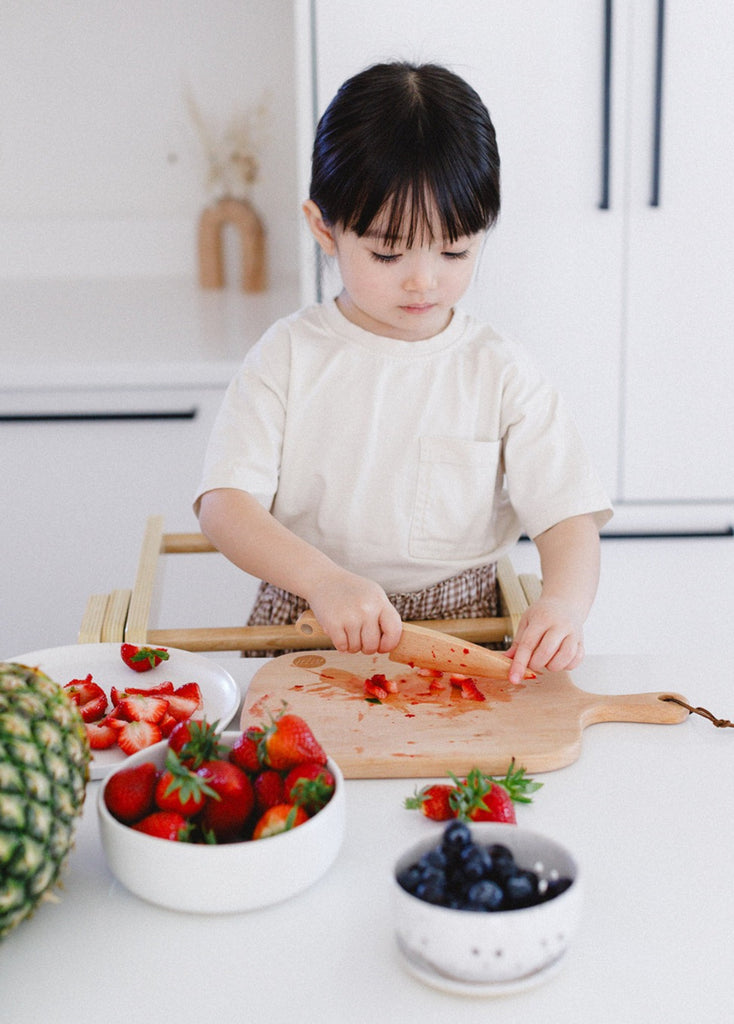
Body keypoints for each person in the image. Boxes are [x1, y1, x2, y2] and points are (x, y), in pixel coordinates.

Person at [194, 61, 612, 684]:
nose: (423, 279)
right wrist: (325, 581)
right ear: (323, 228)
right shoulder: (287, 355)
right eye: (388, 253)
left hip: (464, 630)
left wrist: (563, 605)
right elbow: (225, 505)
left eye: (455, 250)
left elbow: (566, 514)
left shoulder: (500, 370)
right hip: (310, 621)